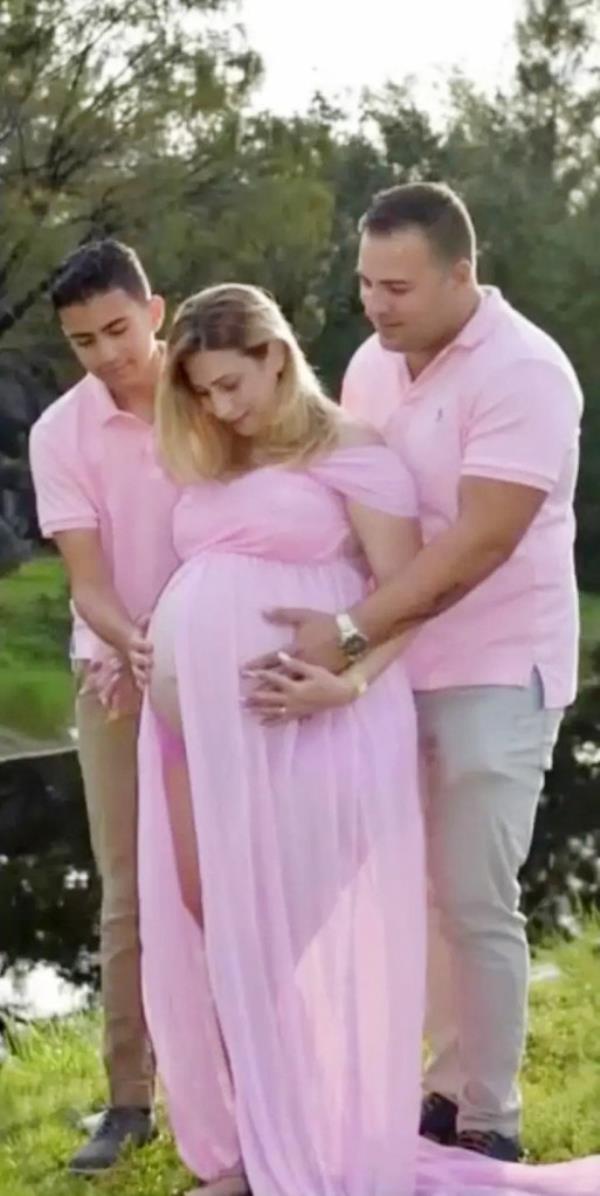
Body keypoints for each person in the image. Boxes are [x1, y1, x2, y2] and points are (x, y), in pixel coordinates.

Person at [134, 283, 599, 1196]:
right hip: (197, 739)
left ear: (276, 354)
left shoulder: (357, 452)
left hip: (314, 728)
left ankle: (296, 1147)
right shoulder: (217, 452)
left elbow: (404, 598)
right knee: (211, 925)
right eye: (202, 393)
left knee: (276, 932)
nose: (222, 407)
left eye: (232, 384)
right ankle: (248, 1142)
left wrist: (344, 678)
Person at [251, 183, 584, 1161]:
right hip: (394, 661)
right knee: (412, 890)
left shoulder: (527, 371)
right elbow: (363, 513)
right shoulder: (369, 364)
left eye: (396, 286)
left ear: (460, 274)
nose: (375, 304)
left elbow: (478, 545)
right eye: (364, 281)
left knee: (475, 896)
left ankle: (489, 1116)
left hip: (494, 665)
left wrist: (349, 634)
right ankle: (432, 1091)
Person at [29, 240, 180, 1174]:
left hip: (228, 671)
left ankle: (251, 1079)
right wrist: (129, 645)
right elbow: (86, 579)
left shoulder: (215, 386)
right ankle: (130, 1100)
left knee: (233, 882)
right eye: (83, 340)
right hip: (115, 677)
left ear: (155, 311)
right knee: (127, 891)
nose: (107, 354)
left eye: (119, 329)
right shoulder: (59, 433)